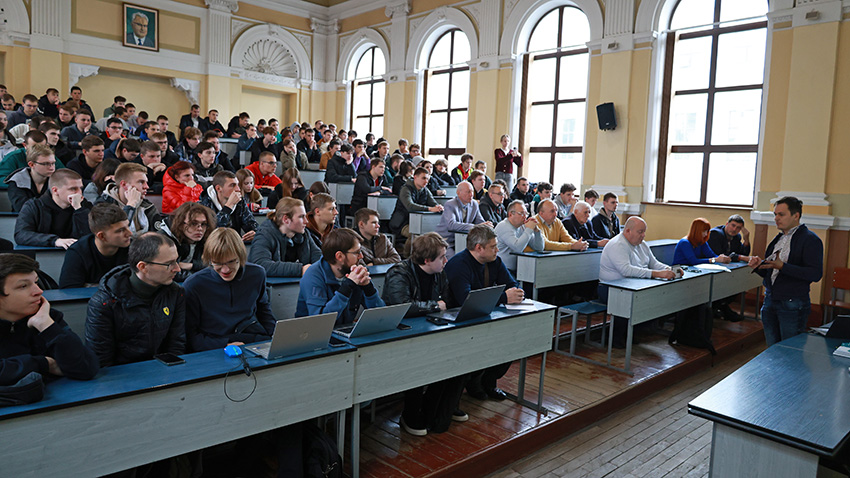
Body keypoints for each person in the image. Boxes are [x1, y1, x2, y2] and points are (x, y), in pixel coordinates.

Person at [382, 233, 468, 434]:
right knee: (419, 361)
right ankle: (411, 413)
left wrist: (438, 308)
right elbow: (401, 306)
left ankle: (441, 408)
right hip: (401, 333)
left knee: (461, 352)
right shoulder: (399, 272)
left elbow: (446, 302)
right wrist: (433, 306)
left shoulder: (440, 273)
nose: (446, 261)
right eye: (442, 257)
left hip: (429, 328)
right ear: (427, 260)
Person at [445, 224, 525, 400]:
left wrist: (516, 293)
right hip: (461, 319)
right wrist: (504, 298)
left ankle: (488, 382)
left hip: (487, 313)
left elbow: (512, 284)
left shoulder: (494, 261)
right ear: (478, 248)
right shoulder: (459, 264)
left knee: (511, 341)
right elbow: (466, 300)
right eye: (493, 247)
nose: (497, 250)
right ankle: (474, 382)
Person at [85, 232, 186, 367]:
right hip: (121, 377)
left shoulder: (176, 293)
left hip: (162, 370)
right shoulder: (104, 302)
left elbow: (176, 344)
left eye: (176, 261)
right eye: (169, 264)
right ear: (143, 267)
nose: (177, 269)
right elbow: (101, 359)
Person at [0, 253, 99, 386]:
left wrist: (46, 325)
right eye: (23, 286)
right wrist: (45, 363)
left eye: (35, 282)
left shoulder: (47, 317)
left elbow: (87, 367)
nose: (39, 291)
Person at [748, 196, 824, 346]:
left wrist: (783, 266)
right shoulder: (778, 239)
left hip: (792, 302)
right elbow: (773, 271)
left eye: (781, 214)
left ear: (796, 216)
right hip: (770, 299)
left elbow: (815, 274)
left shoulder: (810, 240)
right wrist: (759, 266)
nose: (776, 218)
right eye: (775, 214)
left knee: (790, 351)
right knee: (772, 349)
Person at [183, 228, 275, 351]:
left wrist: (275, 335)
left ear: (241, 256)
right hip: (214, 344)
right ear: (209, 260)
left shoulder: (257, 274)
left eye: (232, 262)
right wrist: (223, 345)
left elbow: (264, 311)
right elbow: (190, 336)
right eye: (217, 263)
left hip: (252, 338)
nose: (225, 270)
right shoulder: (194, 285)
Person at [599, 217, 675, 348]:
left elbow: (654, 263)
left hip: (634, 286)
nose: (643, 235)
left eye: (644, 232)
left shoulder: (642, 244)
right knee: (629, 301)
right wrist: (656, 274)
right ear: (628, 231)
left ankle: (630, 332)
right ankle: (616, 337)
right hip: (610, 288)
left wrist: (670, 269)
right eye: (640, 232)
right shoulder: (617, 244)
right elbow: (626, 270)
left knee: (652, 300)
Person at [295, 228, 386, 325]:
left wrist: (368, 288)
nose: (361, 256)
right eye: (357, 252)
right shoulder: (313, 276)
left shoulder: (355, 271)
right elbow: (320, 322)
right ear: (339, 256)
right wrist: (347, 287)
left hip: (343, 333)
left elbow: (381, 315)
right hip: (312, 335)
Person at [59, 203, 131, 289]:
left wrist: (91, 286)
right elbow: (69, 291)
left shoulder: (134, 248)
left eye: (128, 226)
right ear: (101, 236)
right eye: (121, 230)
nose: (129, 233)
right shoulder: (78, 252)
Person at [15, 169, 91, 249]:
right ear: (55, 190)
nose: (79, 193)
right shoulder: (34, 206)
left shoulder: (84, 206)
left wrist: (79, 210)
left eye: (80, 188)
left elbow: (91, 236)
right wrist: (55, 241)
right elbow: (21, 235)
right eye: (73, 189)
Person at [247, 197, 321, 278]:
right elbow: (260, 264)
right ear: (286, 219)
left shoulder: (303, 233)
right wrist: (300, 269)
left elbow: (318, 256)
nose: (306, 221)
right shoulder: (264, 235)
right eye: (301, 217)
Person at [389, 167, 444, 256]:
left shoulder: (425, 190)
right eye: (423, 178)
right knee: (415, 233)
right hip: (402, 223)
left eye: (427, 179)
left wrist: (439, 207)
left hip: (417, 221)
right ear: (415, 177)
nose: (426, 181)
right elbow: (410, 206)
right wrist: (429, 209)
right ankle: (407, 257)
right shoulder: (405, 189)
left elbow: (434, 203)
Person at [157, 201, 216, 282]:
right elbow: (170, 273)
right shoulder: (164, 239)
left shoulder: (204, 237)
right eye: (193, 223)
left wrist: (192, 265)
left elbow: (214, 265)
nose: (200, 228)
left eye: (203, 224)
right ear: (180, 224)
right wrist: (199, 274)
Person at [199, 170, 258, 242]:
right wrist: (228, 207)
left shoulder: (240, 201)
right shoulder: (203, 205)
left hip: (234, 246)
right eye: (232, 185)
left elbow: (251, 223)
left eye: (238, 185)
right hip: (212, 248)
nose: (238, 189)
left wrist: (254, 232)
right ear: (218, 188)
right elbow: (212, 232)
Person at [435, 181, 490, 257]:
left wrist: (486, 225)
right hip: (446, 241)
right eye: (468, 192)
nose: (471, 195)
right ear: (458, 193)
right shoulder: (450, 204)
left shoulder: (474, 204)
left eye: (472, 192)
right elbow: (451, 225)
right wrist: (475, 227)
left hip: (464, 240)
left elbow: (480, 222)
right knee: (454, 260)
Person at [494, 200, 544, 271]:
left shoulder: (522, 226)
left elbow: (539, 248)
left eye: (526, 213)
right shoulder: (504, 226)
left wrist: (537, 231)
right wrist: (529, 229)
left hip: (518, 269)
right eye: (521, 213)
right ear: (511, 214)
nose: (525, 217)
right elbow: (518, 248)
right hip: (502, 269)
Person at [5, 143, 54, 212]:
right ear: (31, 164)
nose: (52, 168)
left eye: (53, 163)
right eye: (46, 164)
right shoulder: (17, 181)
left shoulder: (58, 180)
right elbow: (22, 209)